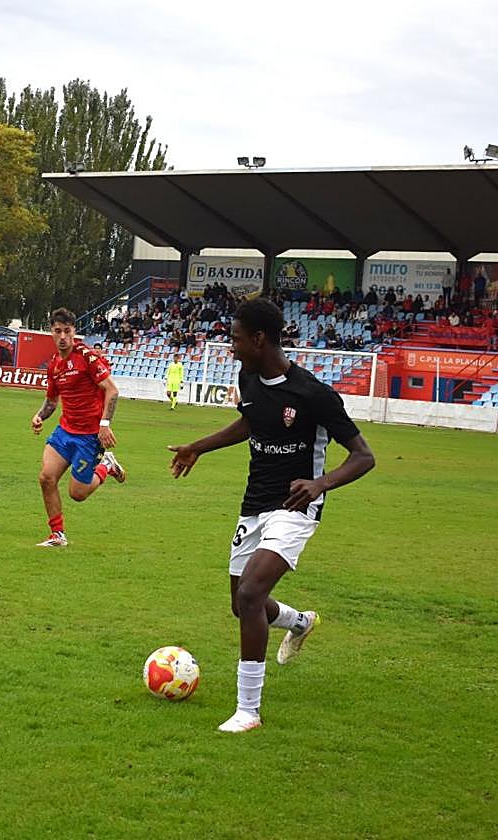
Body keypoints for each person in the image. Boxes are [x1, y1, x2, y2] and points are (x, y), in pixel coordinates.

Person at [167, 298, 375, 733]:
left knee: (250, 596)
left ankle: (249, 711)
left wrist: (321, 484)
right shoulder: (249, 377)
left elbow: (363, 456)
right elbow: (250, 424)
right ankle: (300, 622)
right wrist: (197, 447)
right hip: (254, 502)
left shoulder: (314, 395)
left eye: (237, 338)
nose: (231, 345)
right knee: (240, 604)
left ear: (259, 339)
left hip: (296, 507)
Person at [31, 307, 126, 548]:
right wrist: (40, 416)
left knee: (78, 493)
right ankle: (57, 534)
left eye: (67, 331)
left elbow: (111, 390)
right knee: (46, 478)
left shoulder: (87, 356)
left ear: (74, 331)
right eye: (57, 331)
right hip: (65, 431)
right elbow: (52, 401)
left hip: (89, 436)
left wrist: (104, 424)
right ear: (51, 333)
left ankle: (106, 466)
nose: (62, 336)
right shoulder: (53, 364)